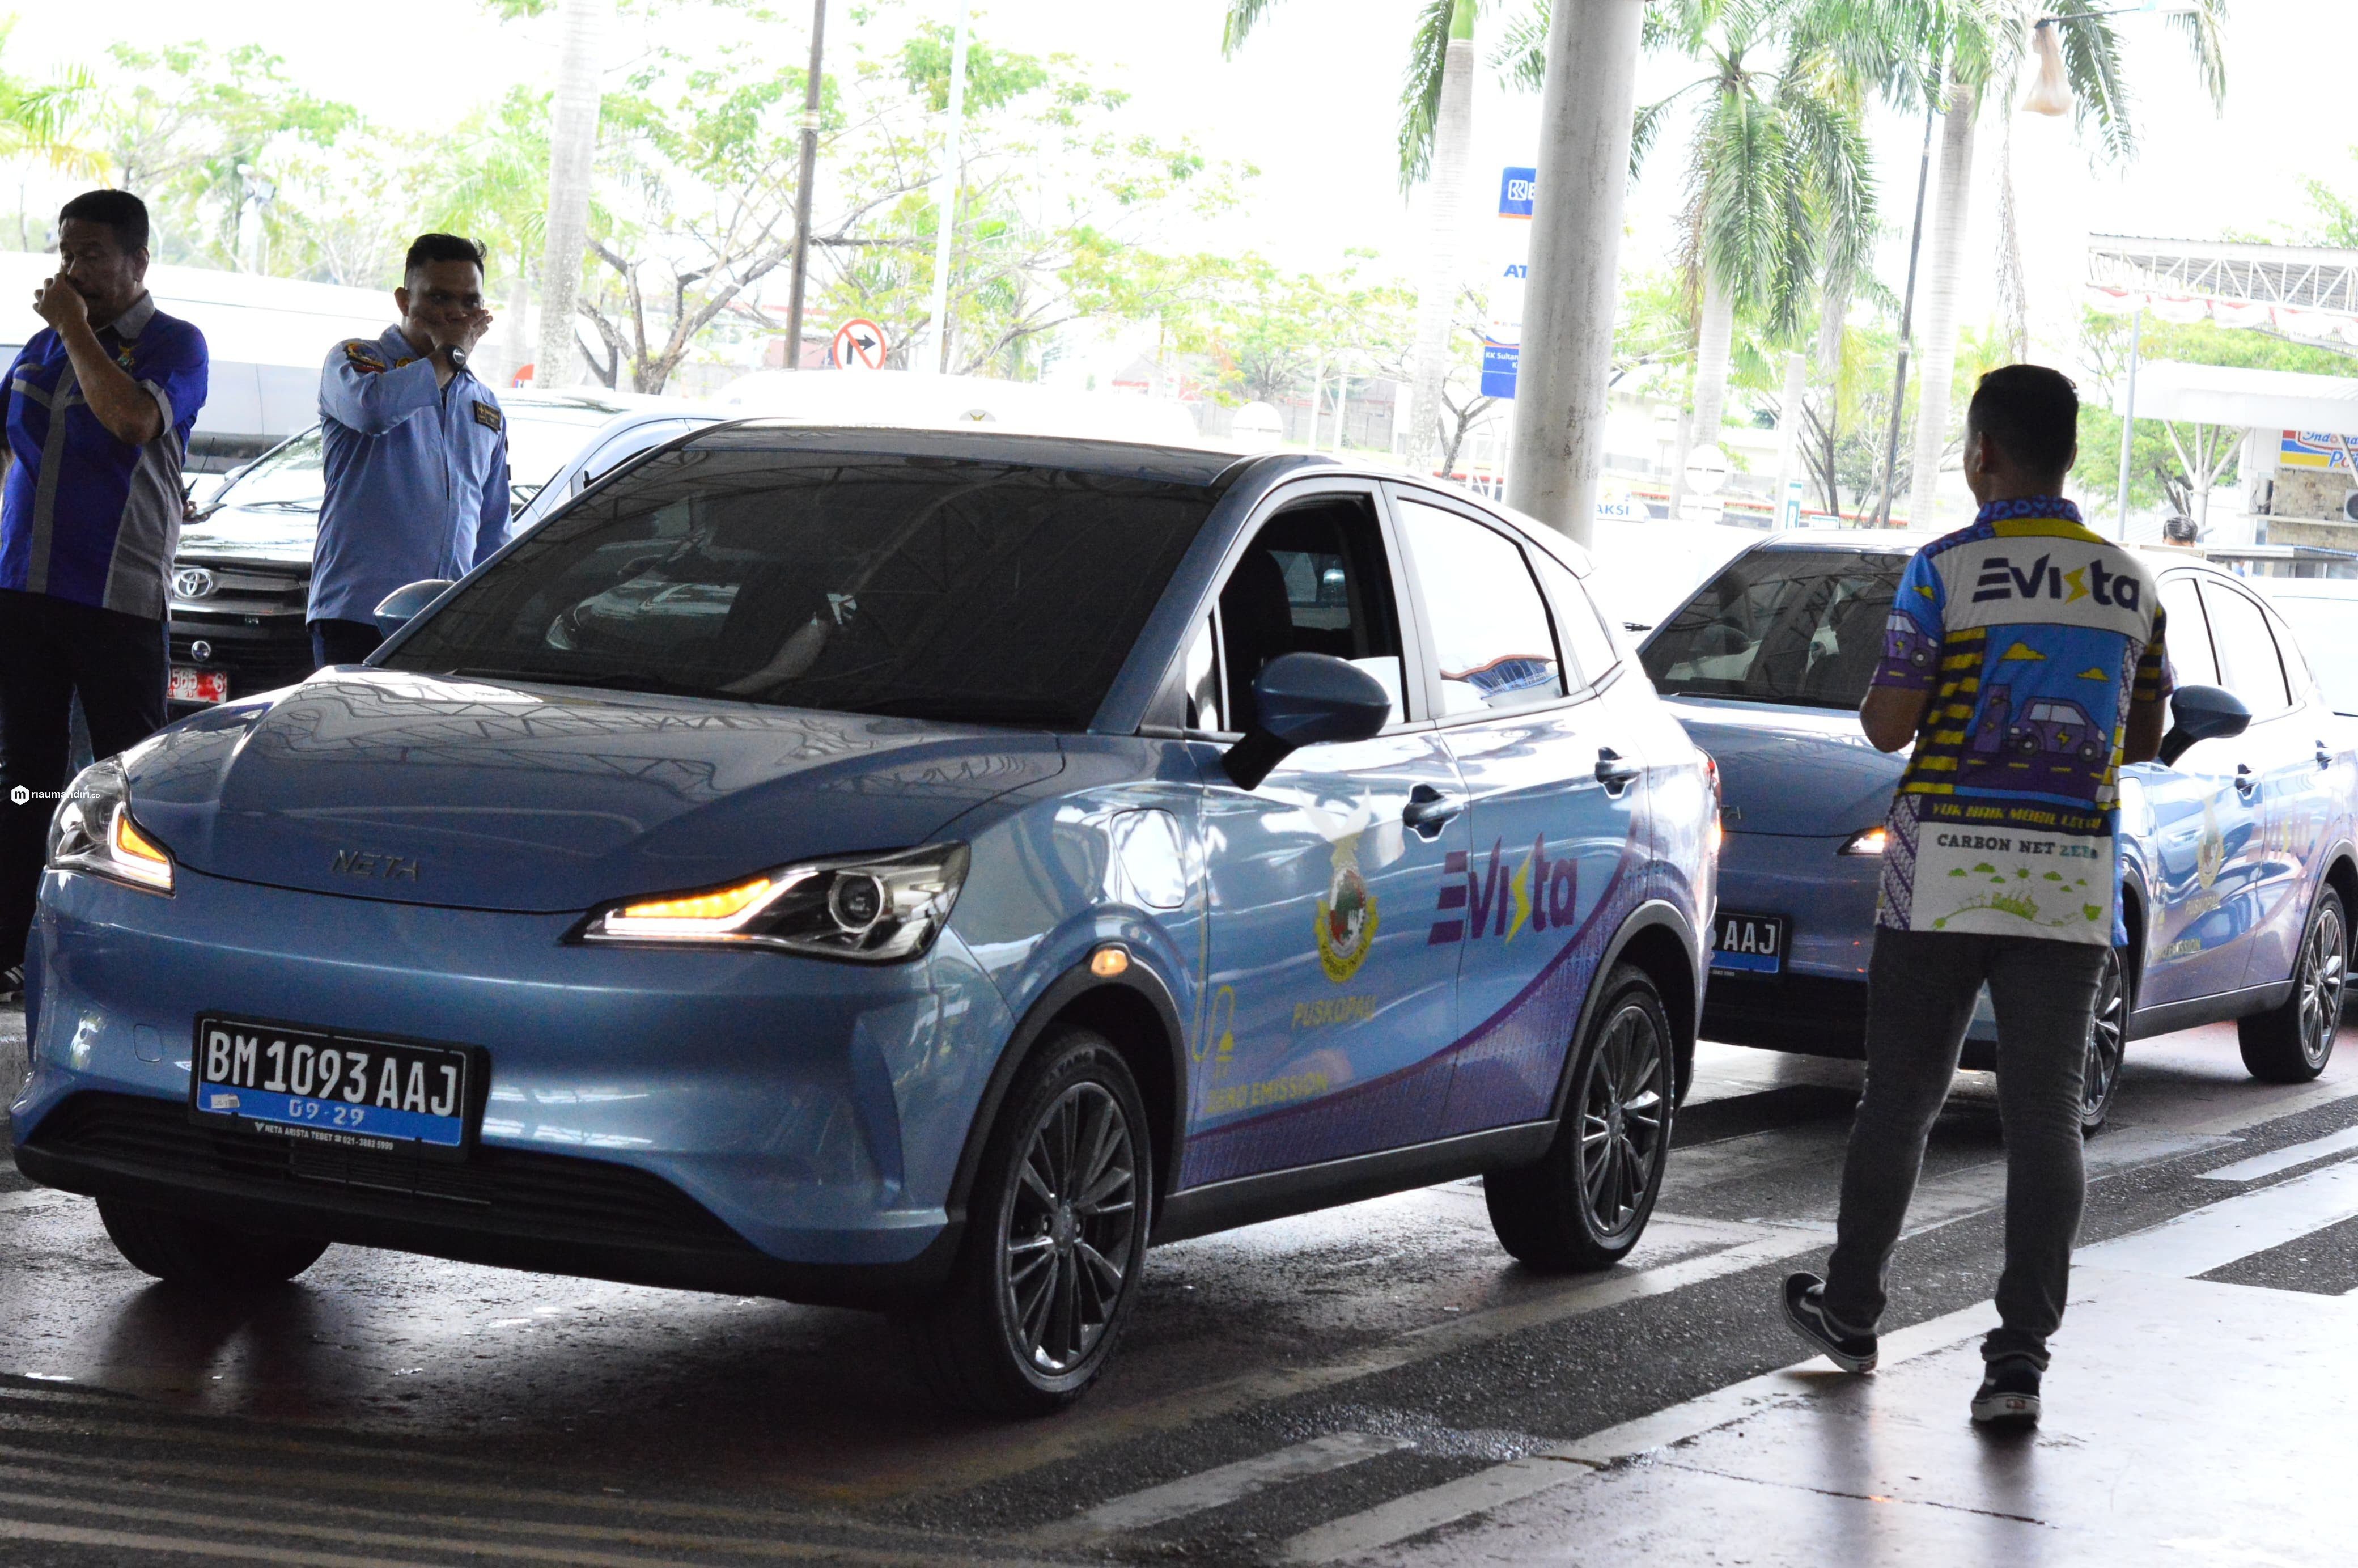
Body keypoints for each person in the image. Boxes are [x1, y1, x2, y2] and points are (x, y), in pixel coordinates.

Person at [1780, 364, 2171, 1427]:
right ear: (2071, 454)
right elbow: (2142, 740)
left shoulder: (1944, 569)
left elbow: (1886, 724)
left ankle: (1853, 1311)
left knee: (1900, 1097)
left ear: (1983, 453)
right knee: (2047, 1115)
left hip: (1940, 868)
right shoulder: (2132, 582)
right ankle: (2018, 1365)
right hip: (2069, 876)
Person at [0, 189, 209, 996]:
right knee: (28, 775)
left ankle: (142, 951)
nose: (71, 270)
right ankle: (14, 944)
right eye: (65, 252)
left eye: (90, 254)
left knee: (133, 779)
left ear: (137, 261)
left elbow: (129, 422)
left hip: (117, 602)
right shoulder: (41, 348)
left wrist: (77, 330)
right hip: (26, 594)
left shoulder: (174, 345)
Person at [309, 232, 507, 669]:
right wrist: (450, 354)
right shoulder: (358, 361)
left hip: (446, 623)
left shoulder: (484, 403)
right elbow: (374, 410)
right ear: (403, 300)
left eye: (470, 302)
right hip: (358, 614)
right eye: (439, 298)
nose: (456, 313)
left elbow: (493, 530)